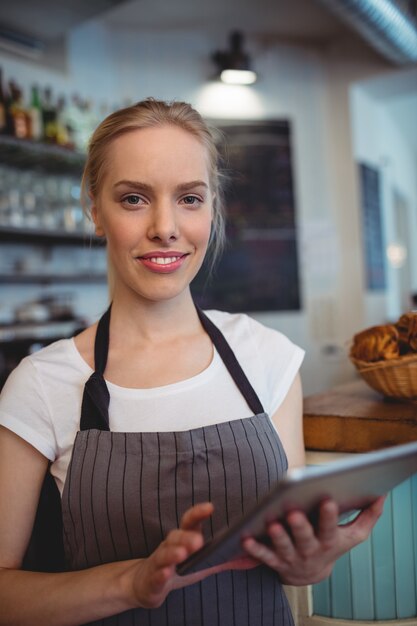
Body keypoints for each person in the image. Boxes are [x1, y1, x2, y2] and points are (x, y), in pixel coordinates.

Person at [0, 98, 384, 626]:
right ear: (94, 210)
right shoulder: (42, 384)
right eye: (134, 198)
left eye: (189, 198)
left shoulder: (266, 357)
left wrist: (310, 562)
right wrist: (130, 584)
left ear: (212, 207)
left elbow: (296, 563)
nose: (165, 226)